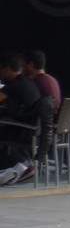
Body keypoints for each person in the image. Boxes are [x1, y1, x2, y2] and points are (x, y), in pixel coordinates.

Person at [0, 53, 45, 185]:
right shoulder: (29, 82)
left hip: (23, 132)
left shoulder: (14, 85)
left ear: (7, 69)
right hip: (35, 131)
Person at [22, 50, 62, 119]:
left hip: (39, 123)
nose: (21, 70)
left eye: (22, 65)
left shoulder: (35, 83)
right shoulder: (52, 80)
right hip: (52, 122)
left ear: (31, 65)